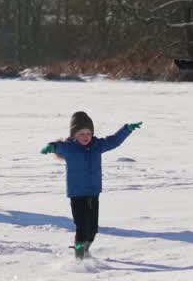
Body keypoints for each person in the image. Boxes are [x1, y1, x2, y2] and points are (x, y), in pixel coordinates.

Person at [40, 111, 141, 259]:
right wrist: (51, 146)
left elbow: (114, 141)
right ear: (74, 135)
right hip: (77, 194)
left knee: (93, 229)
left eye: (88, 133)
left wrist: (126, 129)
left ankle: (85, 248)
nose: (86, 137)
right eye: (82, 133)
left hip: (94, 193)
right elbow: (58, 146)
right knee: (82, 227)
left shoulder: (97, 145)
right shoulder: (69, 148)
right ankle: (79, 254)